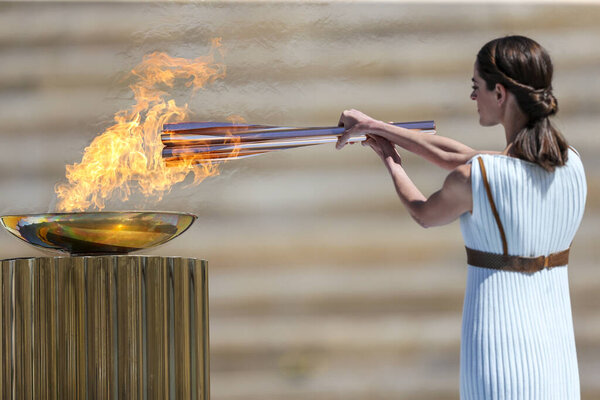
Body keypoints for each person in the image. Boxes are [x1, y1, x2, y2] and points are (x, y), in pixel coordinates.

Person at [336, 35, 586, 400]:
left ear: (499, 94)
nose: (472, 97)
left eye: (476, 87)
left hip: (500, 349)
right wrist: (378, 127)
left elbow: (424, 213)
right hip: (558, 346)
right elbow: (460, 155)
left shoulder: (478, 177)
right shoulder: (570, 163)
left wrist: (389, 158)